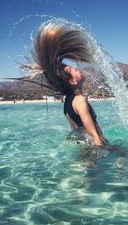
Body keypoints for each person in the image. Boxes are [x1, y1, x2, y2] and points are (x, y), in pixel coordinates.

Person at [21, 19, 107, 147]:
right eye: (74, 70)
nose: (78, 69)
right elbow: (93, 135)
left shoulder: (68, 100)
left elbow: (77, 130)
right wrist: (102, 151)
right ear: (73, 81)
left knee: (120, 153)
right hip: (92, 149)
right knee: (122, 155)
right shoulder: (80, 100)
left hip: (83, 148)